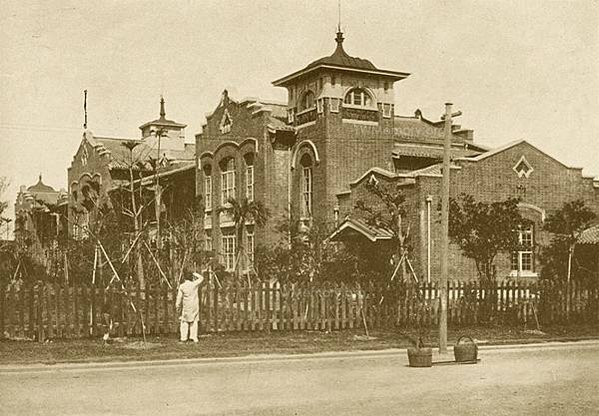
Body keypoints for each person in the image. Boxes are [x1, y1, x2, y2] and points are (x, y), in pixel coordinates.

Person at [175, 269, 205, 342]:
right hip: (194, 305)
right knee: (194, 321)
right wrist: (194, 273)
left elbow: (179, 297)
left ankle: (183, 337)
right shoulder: (194, 284)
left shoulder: (182, 286)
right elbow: (201, 278)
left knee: (184, 321)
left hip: (186, 305)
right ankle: (193, 337)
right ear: (191, 277)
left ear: (184, 278)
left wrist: (177, 305)